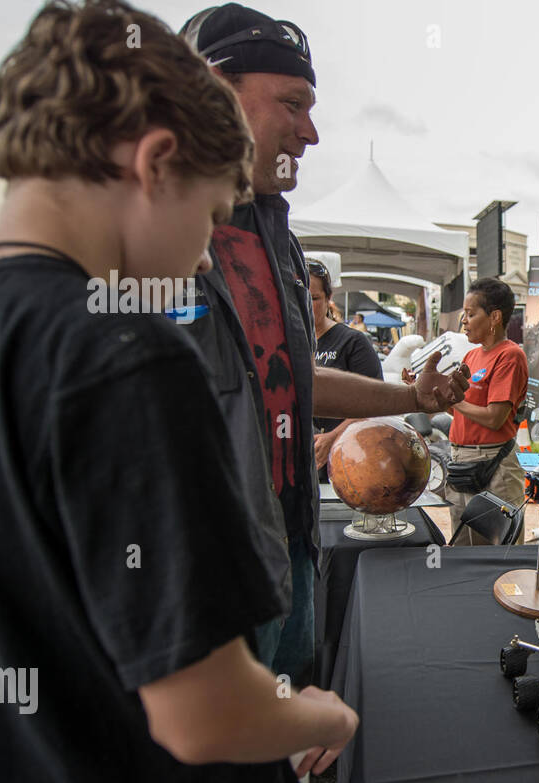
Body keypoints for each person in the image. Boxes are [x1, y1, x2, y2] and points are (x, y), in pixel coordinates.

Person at [0, 0, 358, 783]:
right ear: (156, 163)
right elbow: (203, 714)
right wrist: (324, 708)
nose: (206, 255)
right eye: (206, 217)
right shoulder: (125, 350)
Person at [179, 3, 468, 690]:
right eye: (293, 103)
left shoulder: (278, 236)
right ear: (216, 91)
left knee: (285, 769)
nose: (310, 132)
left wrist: (410, 396)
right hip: (209, 576)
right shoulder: (145, 234)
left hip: (295, 544)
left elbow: (292, 377)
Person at [438, 278, 529, 545]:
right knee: (463, 546)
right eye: (463, 314)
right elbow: (462, 412)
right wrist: (431, 394)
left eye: (470, 313)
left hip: (494, 467)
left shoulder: (510, 356)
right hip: (462, 463)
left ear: (495, 316)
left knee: (498, 551)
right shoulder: (471, 356)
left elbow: (493, 417)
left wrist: (454, 401)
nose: (463, 321)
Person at [308, 258, 381, 479]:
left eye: (314, 298)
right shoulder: (283, 342)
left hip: (346, 457)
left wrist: (333, 436)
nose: (306, 306)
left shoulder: (352, 342)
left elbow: (375, 403)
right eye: (297, 297)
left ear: (329, 298)